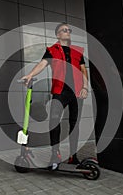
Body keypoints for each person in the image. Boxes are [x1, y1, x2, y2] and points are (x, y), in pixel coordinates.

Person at [20, 22, 89, 170]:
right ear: (58, 35)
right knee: (54, 121)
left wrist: (85, 87)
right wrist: (30, 75)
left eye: (69, 30)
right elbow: (42, 64)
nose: (68, 32)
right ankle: (54, 154)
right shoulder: (52, 50)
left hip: (76, 92)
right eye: (64, 30)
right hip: (60, 91)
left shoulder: (77, 51)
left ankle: (73, 156)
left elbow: (83, 70)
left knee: (74, 125)